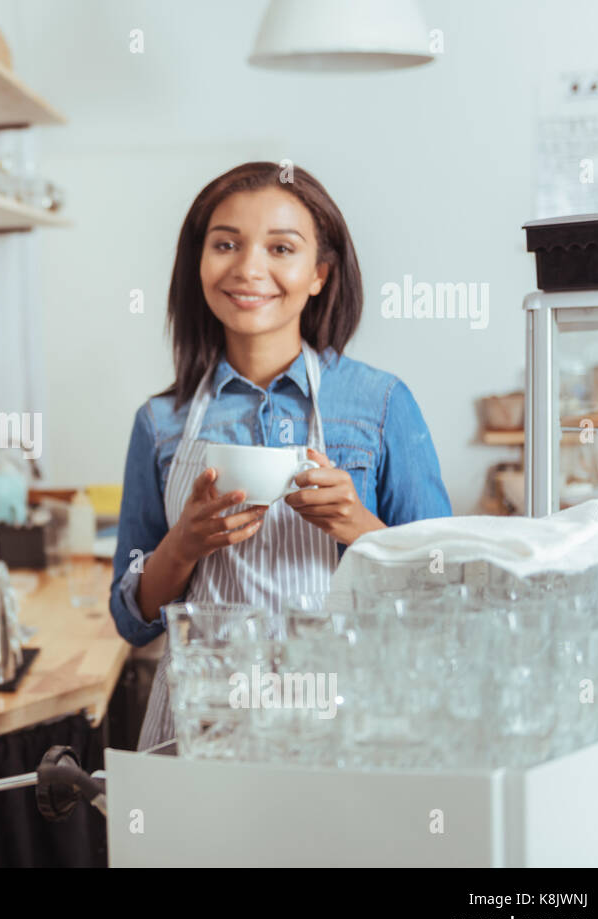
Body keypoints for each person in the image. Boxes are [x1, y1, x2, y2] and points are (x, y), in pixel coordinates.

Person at [110, 161, 453, 750]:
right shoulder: (160, 424)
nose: (249, 269)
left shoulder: (381, 404)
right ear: (199, 264)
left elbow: (444, 593)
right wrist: (184, 544)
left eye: (280, 248)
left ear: (319, 273)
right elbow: (132, 618)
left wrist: (359, 529)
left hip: (349, 721)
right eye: (226, 245)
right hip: (201, 724)